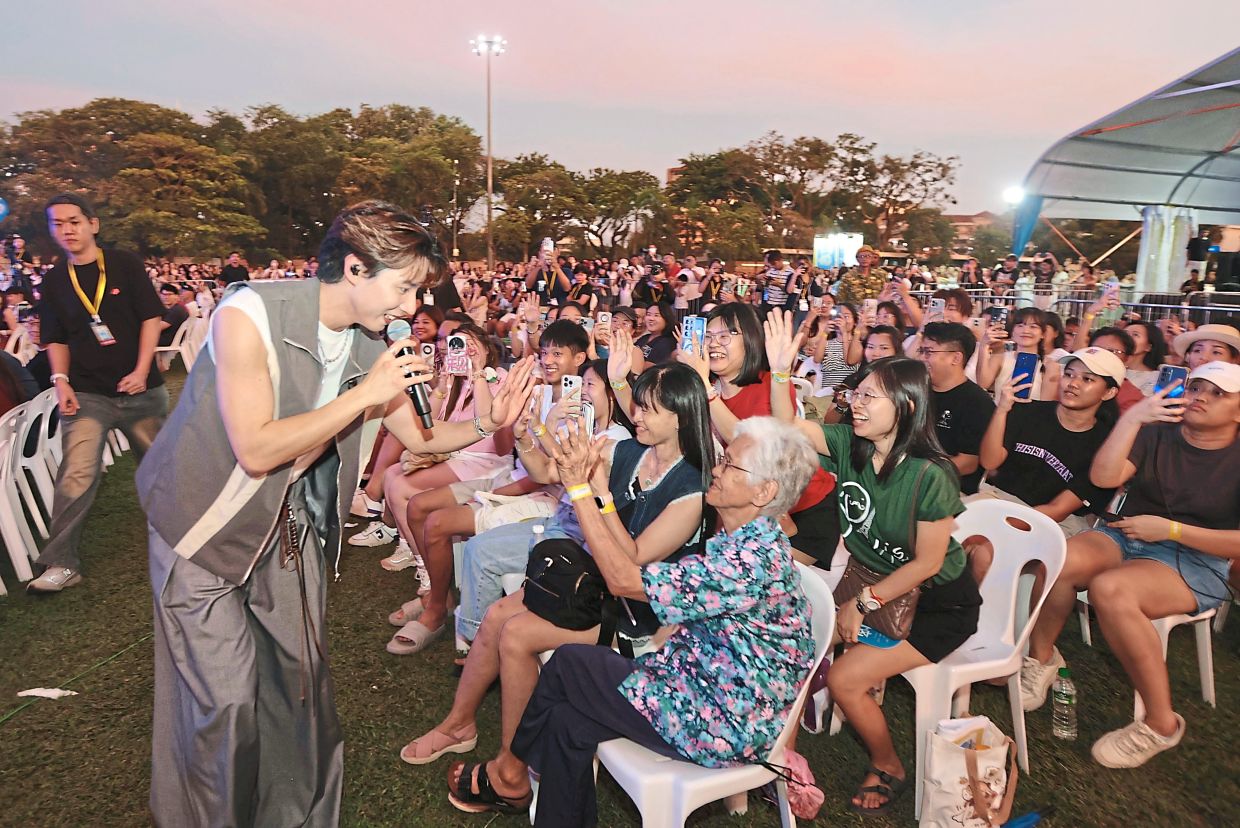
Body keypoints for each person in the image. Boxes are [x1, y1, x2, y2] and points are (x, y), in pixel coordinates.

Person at [135, 200, 537, 827]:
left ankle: (291, 814)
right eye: (403, 288)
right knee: (228, 704)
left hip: (286, 532)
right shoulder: (250, 314)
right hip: (205, 530)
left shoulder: (365, 343)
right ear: (354, 267)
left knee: (298, 687)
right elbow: (258, 446)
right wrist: (367, 395)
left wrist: (489, 421)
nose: (410, 309)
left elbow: (423, 440)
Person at [450, 417, 817, 825]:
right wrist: (601, 494)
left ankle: (510, 772)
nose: (717, 468)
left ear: (764, 491)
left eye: (730, 465)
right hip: (692, 684)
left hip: (723, 720)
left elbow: (624, 579)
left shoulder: (748, 562)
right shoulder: (747, 539)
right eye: (723, 459)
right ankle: (523, 784)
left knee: (570, 664)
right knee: (566, 721)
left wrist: (579, 489)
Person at [782, 355, 981, 815]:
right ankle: (782, 760)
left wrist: (862, 604)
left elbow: (930, 562)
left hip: (938, 604)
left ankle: (888, 765)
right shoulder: (851, 444)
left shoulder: (931, 473)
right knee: (793, 646)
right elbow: (787, 427)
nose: (856, 403)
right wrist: (777, 373)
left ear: (907, 407)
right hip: (871, 582)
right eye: (856, 392)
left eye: (869, 396)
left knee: (848, 679)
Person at [1021, 361, 1240, 768]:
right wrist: (1134, 418)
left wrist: (1173, 531)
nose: (1201, 398)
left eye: (1218, 393)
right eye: (1197, 388)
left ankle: (1161, 723)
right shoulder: (1159, 431)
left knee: (1111, 590)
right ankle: (1043, 658)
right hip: (1130, 533)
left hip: (1196, 558)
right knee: (1061, 559)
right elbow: (1105, 478)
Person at [26, 193, 169, 594]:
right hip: (88, 392)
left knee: (161, 468)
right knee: (76, 473)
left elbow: (151, 318)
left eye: (74, 221)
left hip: (141, 391)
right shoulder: (54, 280)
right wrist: (60, 380)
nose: (66, 229)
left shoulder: (124, 264)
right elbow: (55, 337)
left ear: (93, 224)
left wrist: (142, 370)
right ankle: (61, 563)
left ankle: (185, 540)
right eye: (57, 224)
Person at [673, 305, 840, 564]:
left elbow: (753, 448)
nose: (714, 343)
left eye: (727, 335)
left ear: (750, 340)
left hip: (802, 514)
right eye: (709, 335)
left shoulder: (768, 385)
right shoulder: (705, 389)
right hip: (742, 511)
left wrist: (705, 387)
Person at [978, 347, 1121, 537]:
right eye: (1069, 374)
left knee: (985, 551)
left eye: (1087, 379)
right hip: (999, 499)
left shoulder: (1105, 446)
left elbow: (1058, 509)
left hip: (1054, 522)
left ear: (1109, 392)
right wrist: (1002, 410)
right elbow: (989, 462)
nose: (1073, 383)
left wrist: (1001, 530)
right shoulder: (1028, 410)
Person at [919, 322, 995, 495]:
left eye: (929, 352)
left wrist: (918, 474)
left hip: (949, 487)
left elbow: (968, 462)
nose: (922, 358)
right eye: (921, 351)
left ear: (956, 358)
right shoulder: (917, 390)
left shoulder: (977, 403)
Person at [633, 301, 677, 366]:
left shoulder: (667, 342)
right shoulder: (645, 337)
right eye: (648, 314)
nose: (651, 318)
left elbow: (651, 367)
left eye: (656, 315)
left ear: (666, 319)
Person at [156, 283, 189, 348]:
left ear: (177, 296)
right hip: (166, 340)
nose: (166, 297)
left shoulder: (176, 310)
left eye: (169, 294)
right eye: (163, 294)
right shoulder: (176, 308)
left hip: (166, 341)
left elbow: (156, 328)